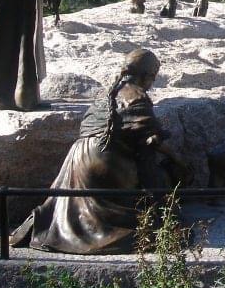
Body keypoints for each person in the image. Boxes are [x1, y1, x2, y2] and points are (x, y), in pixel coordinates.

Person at [10, 49, 192, 255]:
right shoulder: (136, 96)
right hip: (105, 161)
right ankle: (146, 219)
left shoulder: (107, 94)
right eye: (153, 78)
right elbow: (151, 140)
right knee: (154, 171)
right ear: (148, 76)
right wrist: (179, 160)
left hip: (78, 159)